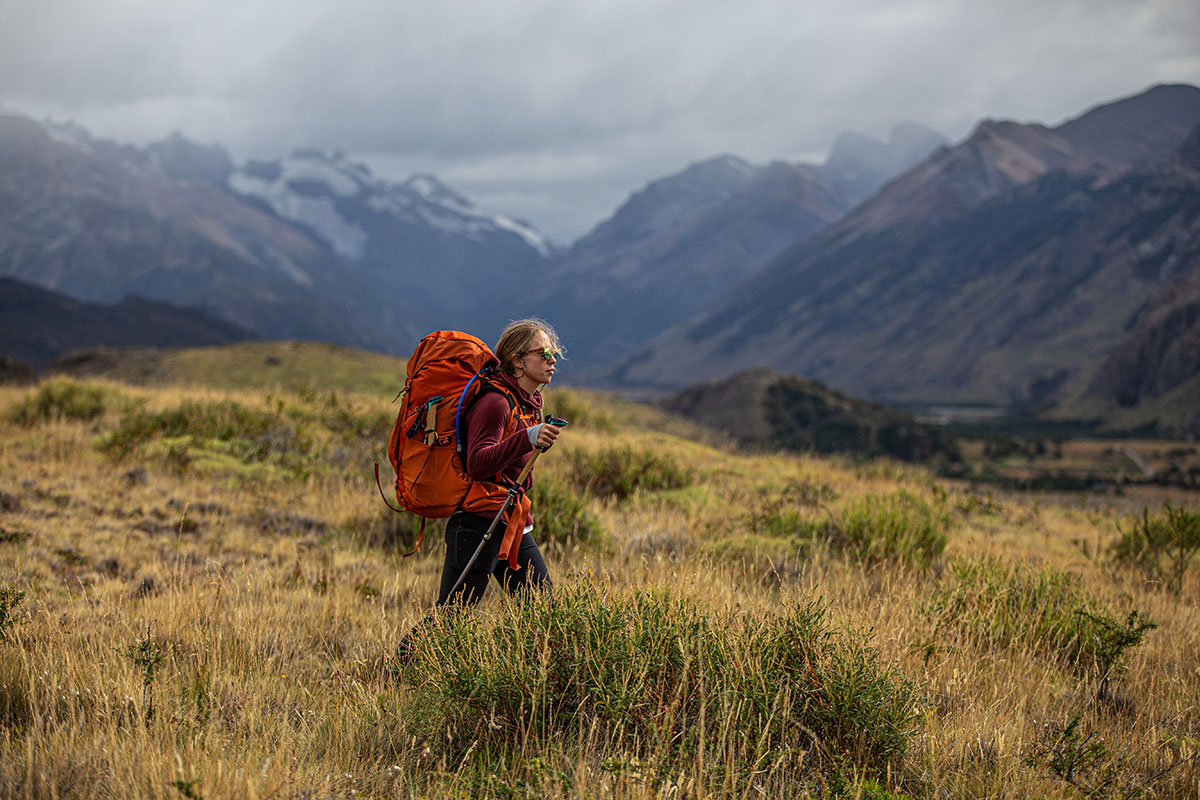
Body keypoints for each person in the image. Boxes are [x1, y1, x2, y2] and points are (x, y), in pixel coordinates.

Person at [433, 318, 563, 607]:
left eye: (553, 353)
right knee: (451, 621)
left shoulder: (526, 403)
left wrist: (529, 438)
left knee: (544, 611)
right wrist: (527, 438)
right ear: (518, 361)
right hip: (479, 523)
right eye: (543, 353)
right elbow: (477, 464)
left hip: (511, 522)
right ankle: (406, 655)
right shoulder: (496, 402)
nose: (552, 360)